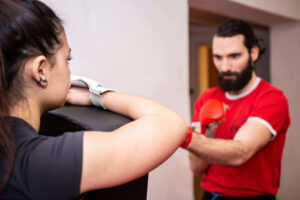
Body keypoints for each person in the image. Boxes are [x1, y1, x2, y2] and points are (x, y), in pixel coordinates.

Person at [0, 0, 188, 199]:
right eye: (67, 59)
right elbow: (170, 124)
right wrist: (97, 95)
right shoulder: (37, 162)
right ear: (41, 70)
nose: (69, 70)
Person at [185, 20, 290, 200]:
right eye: (218, 57)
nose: (225, 67)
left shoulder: (271, 98)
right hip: (210, 195)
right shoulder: (206, 98)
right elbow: (196, 168)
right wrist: (207, 132)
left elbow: (240, 153)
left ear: (253, 53)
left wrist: (182, 136)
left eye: (234, 56)